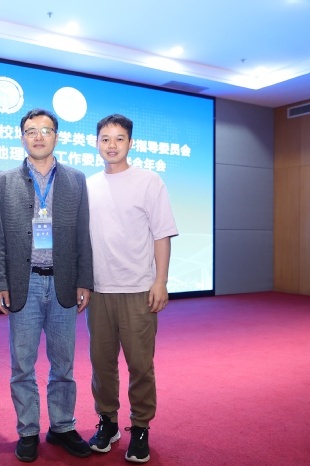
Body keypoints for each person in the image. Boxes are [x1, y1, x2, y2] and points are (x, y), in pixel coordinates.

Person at [0, 108, 94, 462]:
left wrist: (84, 280)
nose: (38, 136)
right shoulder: (4, 182)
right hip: (25, 283)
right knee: (22, 365)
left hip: (64, 283)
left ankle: (62, 426)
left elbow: (83, 235)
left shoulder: (76, 180)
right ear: (22, 138)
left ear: (57, 137)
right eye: (31, 131)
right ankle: (28, 430)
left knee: (64, 364)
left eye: (45, 130)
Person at [85, 114, 178, 463]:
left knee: (140, 365)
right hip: (99, 291)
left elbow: (162, 234)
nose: (112, 145)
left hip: (139, 289)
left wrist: (160, 281)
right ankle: (108, 422)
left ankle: (140, 427)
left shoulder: (149, 181)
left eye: (119, 138)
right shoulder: (88, 185)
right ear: (96, 143)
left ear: (130, 143)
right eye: (105, 138)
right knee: (102, 364)